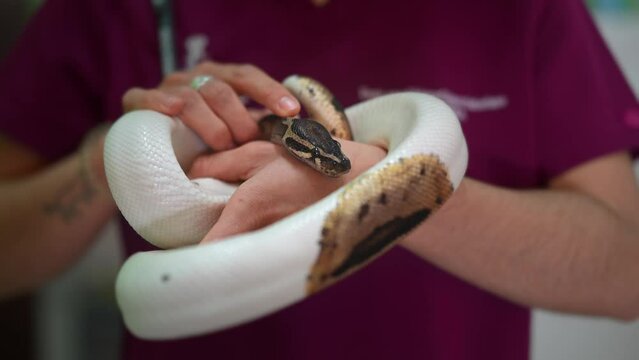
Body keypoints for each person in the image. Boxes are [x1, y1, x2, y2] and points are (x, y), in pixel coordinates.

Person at [1, 0, 638, 359]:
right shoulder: (122, 11)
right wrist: (117, 150)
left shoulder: (526, 12)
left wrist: (372, 183)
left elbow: (625, 275)